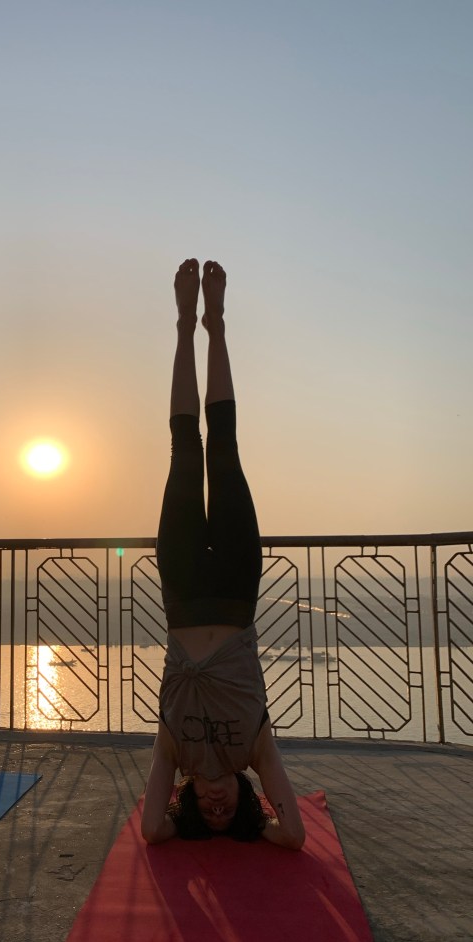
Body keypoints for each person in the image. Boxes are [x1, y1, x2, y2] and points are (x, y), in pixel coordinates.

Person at [141, 259, 305, 849]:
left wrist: (184, 802)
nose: (214, 806)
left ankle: (184, 326)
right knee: (226, 450)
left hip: (182, 590)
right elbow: (297, 835)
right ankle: (217, 324)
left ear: (187, 802)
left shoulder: (173, 748)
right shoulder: (254, 748)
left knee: (186, 452)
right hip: (236, 587)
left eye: (203, 813)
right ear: (244, 801)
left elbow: (151, 829)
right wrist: (258, 824)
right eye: (224, 814)